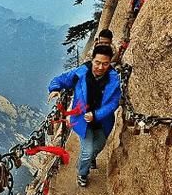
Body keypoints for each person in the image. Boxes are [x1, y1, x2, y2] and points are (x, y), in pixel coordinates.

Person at [47, 44, 121, 187]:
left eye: (105, 64)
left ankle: (86, 161)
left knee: (99, 146)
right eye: (97, 62)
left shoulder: (113, 80)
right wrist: (55, 88)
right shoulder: (80, 74)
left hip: (102, 122)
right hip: (82, 121)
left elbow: (114, 103)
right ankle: (82, 173)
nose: (100, 67)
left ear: (109, 63)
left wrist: (96, 115)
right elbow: (61, 79)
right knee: (87, 152)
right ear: (92, 60)